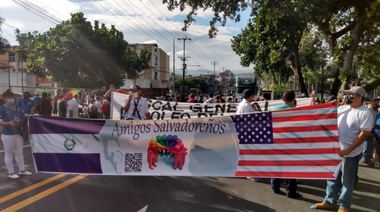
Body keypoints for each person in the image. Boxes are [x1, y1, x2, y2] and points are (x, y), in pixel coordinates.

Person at [311, 86, 373, 212]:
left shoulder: (365, 113)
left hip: (350, 153)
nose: (348, 97)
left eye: (351, 95)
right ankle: (329, 201)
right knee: (332, 177)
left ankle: (344, 205)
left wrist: (348, 150)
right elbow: (327, 116)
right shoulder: (342, 108)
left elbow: (364, 134)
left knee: (347, 180)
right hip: (335, 151)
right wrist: (330, 105)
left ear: (359, 98)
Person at [270, 90, 301, 198]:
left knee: (277, 164)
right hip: (291, 143)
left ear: (282, 99)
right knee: (291, 167)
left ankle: (275, 186)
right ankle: (291, 191)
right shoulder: (297, 112)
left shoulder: (274, 110)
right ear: (293, 100)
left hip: (277, 142)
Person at [0, 90, 33, 179]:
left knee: (19, 153)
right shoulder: (2, 108)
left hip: (19, 133)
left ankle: (22, 170)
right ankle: (11, 172)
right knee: (9, 153)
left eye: (12, 97)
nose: (11, 99)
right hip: (8, 134)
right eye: (9, 97)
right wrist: (8, 123)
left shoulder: (17, 107)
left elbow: (24, 114)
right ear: (4, 99)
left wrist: (31, 116)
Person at [361, 99, 379, 167]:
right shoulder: (368, 110)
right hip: (368, 128)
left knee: (370, 144)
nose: (377, 103)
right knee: (368, 144)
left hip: (373, 128)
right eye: (376, 102)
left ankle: (366, 157)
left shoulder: (375, 111)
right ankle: (365, 158)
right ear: (372, 103)